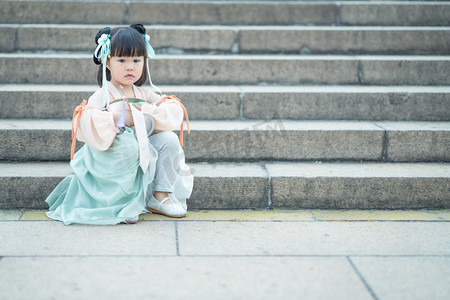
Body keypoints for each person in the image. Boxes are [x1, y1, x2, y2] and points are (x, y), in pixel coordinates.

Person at [46, 24, 193, 225]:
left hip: (142, 143)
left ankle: (160, 195)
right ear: (107, 62)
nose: (130, 66)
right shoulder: (103, 94)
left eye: (136, 60)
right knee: (127, 145)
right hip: (113, 152)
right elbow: (86, 120)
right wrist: (112, 117)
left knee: (168, 139)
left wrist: (144, 111)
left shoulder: (144, 94)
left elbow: (169, 109)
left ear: (144, 62)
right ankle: (123, 201)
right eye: (121, 60)